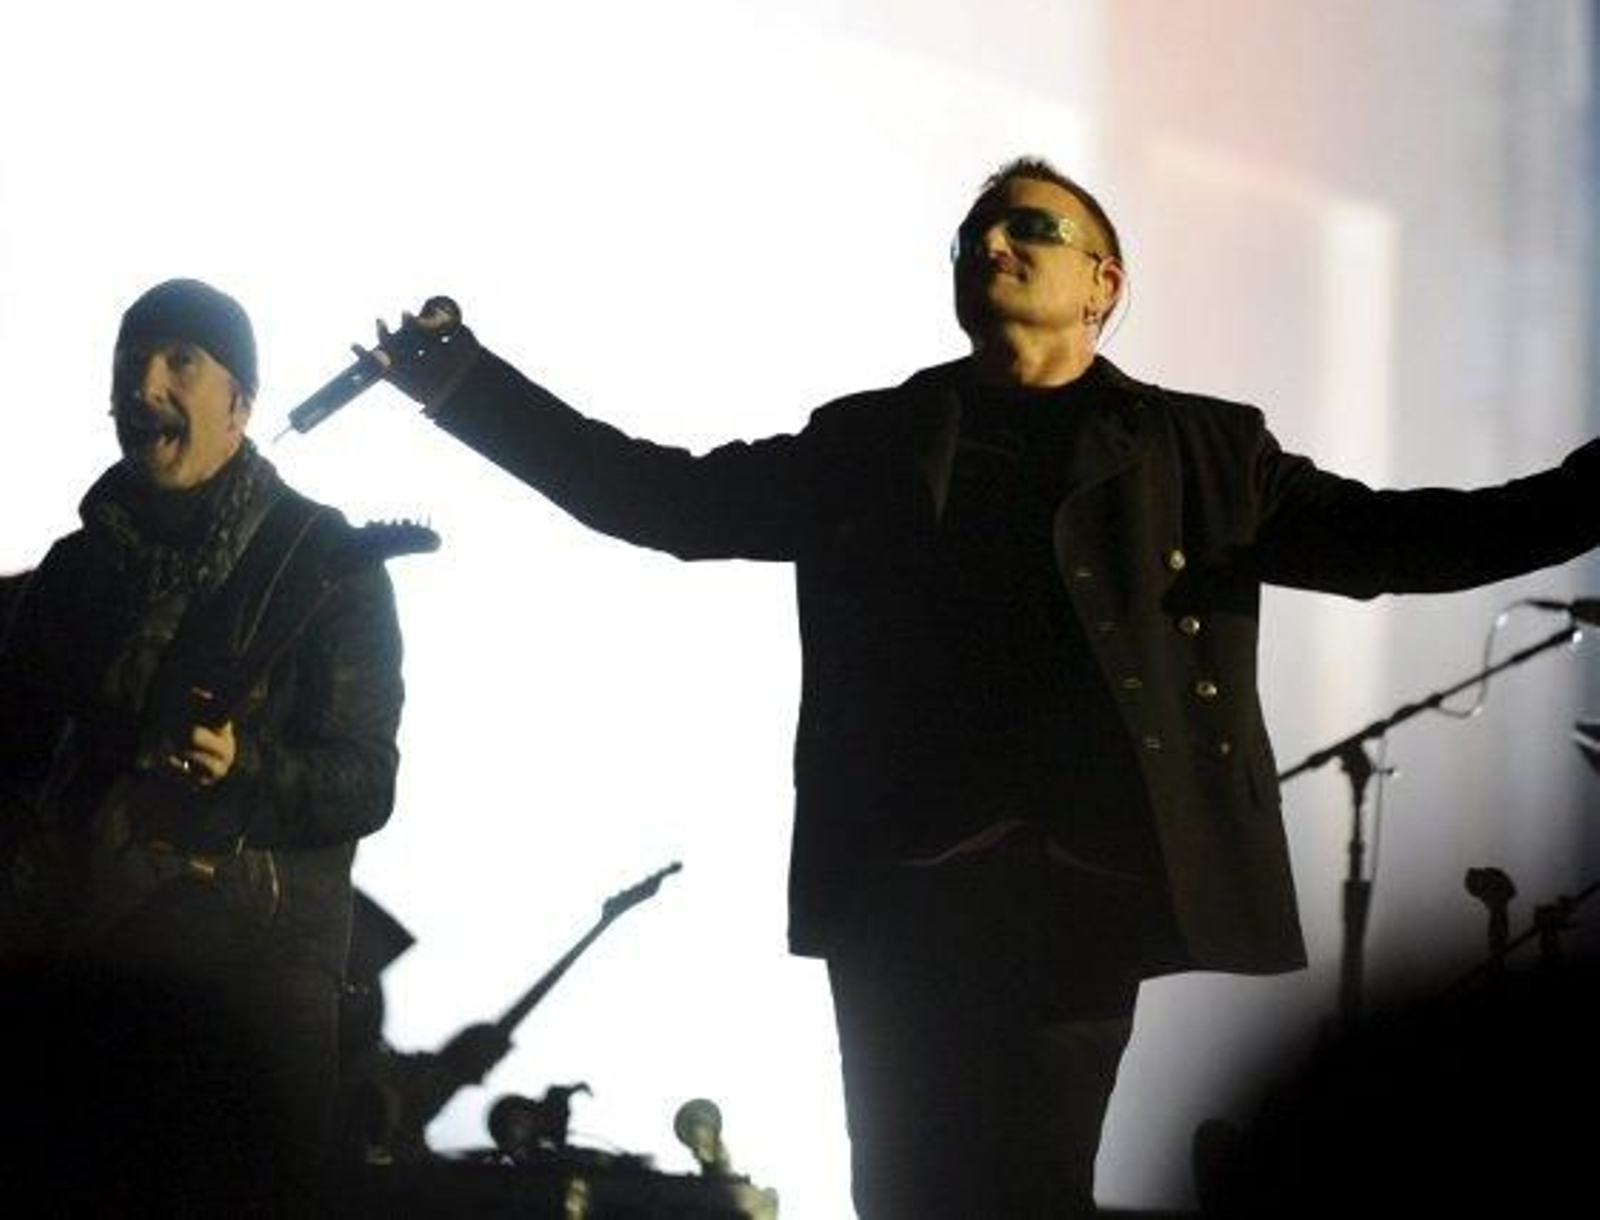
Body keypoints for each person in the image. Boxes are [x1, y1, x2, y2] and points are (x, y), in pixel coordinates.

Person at [371, 158, 1599, 1217]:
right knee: (899, 1192)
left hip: (1079, 885)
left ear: (1103, 285)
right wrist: (467, 388)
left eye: (1030, 230)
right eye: (975, 237)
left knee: (1025, 1185)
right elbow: (661, 499)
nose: (994, 246)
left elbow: (1409, 541)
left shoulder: (1200, 455)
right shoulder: (871, 440)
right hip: (900, 884)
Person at [0, 279, 407, 1208]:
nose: (146, 383)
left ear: (242, 403)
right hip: (81, 992)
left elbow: (363, 781)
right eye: (129, 363)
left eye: (181, 360)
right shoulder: (77, 569)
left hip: (240, 1020)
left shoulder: (326, 561)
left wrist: (244, 772)